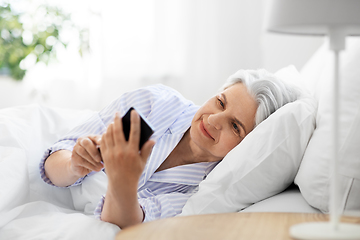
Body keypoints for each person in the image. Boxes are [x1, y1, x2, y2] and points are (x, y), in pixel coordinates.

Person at [39, 69, 300, 229]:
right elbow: (52, 165)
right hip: (50, 195)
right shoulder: (157, 103)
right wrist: (74, 163)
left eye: (235, 126)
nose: (212, 120)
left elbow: (122, 227)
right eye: (220, 102)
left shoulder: (209, 189)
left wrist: (123, 181)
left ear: (249, 144)